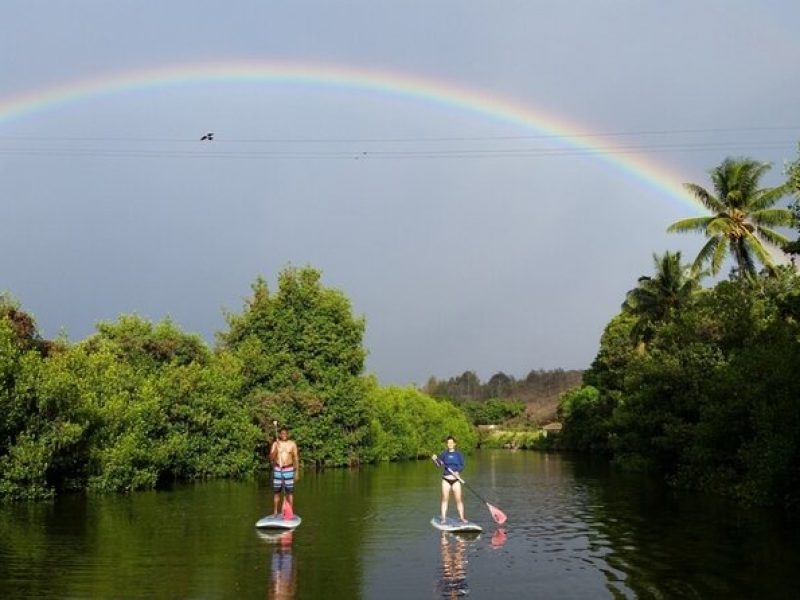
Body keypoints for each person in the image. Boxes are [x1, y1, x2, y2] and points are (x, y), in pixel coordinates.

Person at [432, 436, 466, 523]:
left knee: (458, 499)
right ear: (447, 444)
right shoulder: (444, 454)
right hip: (446, 480)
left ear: (454, 444)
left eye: (451, 442)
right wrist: (435, 459)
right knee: (445, 499)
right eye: (448, 443)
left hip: (456, 480)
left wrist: (457, 472)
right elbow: (439, 464)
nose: (450, 444)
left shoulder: (459, 454)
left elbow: (462, 466)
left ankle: (462, 518)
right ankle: (443, 519)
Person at [270, 426, 299, 517]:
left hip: (289, 469)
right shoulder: (275, 444)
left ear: (288, 434)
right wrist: (276, 449)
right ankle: (275, 511)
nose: (284, 435)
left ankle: (291, 512)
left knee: (289, 492)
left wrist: (297, 471)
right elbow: (271, 457)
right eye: (282, 434)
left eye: (285, 433)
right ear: (279, 434)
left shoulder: (292, 444)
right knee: (276, 492)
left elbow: (296, 458)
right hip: (278, 469)